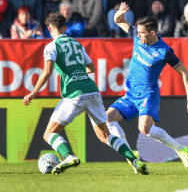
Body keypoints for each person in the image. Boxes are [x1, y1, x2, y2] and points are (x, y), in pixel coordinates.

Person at [22, 12, 149, 175]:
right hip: (93, 91)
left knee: (49, 133)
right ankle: (135, 161)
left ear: (49, 29)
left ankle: (68, 157)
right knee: (105, 136)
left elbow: (47, 71)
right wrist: (78, 72)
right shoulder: (76, 43)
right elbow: (92, 68)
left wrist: (33, 92)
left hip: (74, 93)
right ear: (65, 28)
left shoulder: (51, 46)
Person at [106, 2, 188, 174]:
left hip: (149, 94)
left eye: (142, 33)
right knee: (107, 119)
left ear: (153, 33)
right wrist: (121, 11)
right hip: (131, 93)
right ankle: (131, 158)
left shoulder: (165, 52)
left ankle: (180, 149)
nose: (138, 35)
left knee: (145, 129)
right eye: (138, 32)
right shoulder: (136, 34)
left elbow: (184, 72)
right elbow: (118, 20)